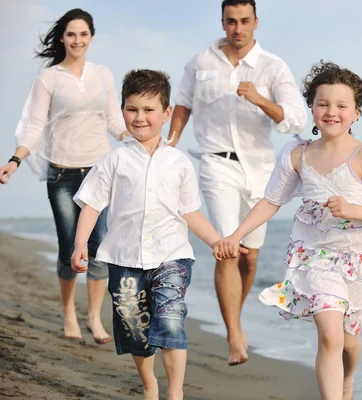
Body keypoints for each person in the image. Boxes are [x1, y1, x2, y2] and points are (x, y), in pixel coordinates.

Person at [213, 61, 362, 400]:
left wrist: (351, 210)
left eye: (342, 106)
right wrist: (235, 235)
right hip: (315, 255)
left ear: (357, 112)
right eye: (323, 104)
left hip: (358, 260)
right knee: (329, 334)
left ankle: (347, 379)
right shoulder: (298, 155)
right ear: (311, 108)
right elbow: (271, 201)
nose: (332, 112)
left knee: (349, 338)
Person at [70, 69, 240, 400]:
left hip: (171, 255)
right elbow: (91, 204)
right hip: (123, 257)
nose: (140, 117)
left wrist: (217, 241)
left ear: (166, 113)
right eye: (132, 109)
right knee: (136, 330)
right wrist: (80, 244)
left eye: (149, 110)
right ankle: (150, 384)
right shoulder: (113, 160)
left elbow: (190, 212)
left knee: (171, 319)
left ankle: (174, 392)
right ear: (123, 112)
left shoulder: (178, 163)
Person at [169, 0, 307, 365]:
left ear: (256, 22)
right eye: (231, 22)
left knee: (250, 258)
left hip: (260, 169)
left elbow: (294, 119)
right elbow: (182, 103)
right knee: (228, 248)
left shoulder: (272, 66)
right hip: (216, 164)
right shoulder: (201, 62)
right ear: (223, 22)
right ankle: (233, 335)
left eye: (244, 21)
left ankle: (236, 316)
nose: (237, 29)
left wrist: (260, 98)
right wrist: (171, 142)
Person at [0, 8, 127, 344]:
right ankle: (69, 312)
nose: (77, 40)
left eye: (83, 34)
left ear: (92, 37)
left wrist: (136, 136)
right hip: (63, 174)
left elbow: (115, 121)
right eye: (71, 34)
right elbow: (33, 125)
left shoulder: (103, 74)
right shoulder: (49, 78)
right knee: (70, 245)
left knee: (99, 247)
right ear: (62, 38)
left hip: (99, 172)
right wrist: (15, 159)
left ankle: (93, 318)